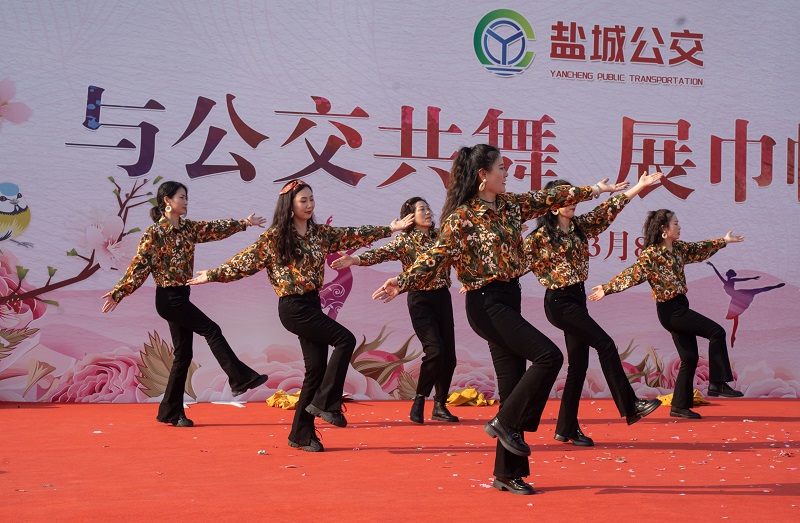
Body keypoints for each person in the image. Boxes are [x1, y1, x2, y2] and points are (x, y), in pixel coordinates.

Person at [371, 144, 620, 495]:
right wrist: (402, 281)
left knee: (512, 387)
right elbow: (436, 255)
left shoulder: (510, 205)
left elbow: (548, 198)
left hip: (508, 298)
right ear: (483, 175)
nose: (506, 173)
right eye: (501, 168)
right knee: (549, 356)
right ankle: (505, 422)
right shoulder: (462, 217)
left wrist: (594, 189)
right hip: (485, 304)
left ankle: (507, 474)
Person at [188, 179, 413, 452]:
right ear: (290, 205)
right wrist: (212, 275)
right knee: (345, 339)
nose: (309, 205)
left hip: (312, 304)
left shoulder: (319, 234)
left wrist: (389, 229)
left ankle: (301, 434)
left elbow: (352, 234)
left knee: (316, 370)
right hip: (293, 307)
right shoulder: (275, 237)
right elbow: (245, 261)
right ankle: (327, 404)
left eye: (311, 199)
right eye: (303, 200)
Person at [101, 180, 269, 427]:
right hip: (168, 299)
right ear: (167, 201)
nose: (186, 202)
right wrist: (118, 293)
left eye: (186, 197)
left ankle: (171, 412)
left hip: (182, 296)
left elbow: (213, 229)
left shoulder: (188, 229)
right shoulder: (154, 233)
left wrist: (244, 223)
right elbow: (139, 268)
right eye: (182, 197)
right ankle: (239, 378)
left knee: (183, 355)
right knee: (211, 330)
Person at [524, 173, 665, 447]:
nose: (573, 201)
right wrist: (479, 281)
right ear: (553, 205)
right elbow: (513, 263)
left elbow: (609, 209)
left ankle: (566, 428)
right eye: (566, 198)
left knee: (578, 366)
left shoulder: (580, 226)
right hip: (559, 302)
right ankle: (630, 405)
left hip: (577, 299)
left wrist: (639, 186)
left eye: (574, 196)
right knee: (605, 343)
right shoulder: (539, 238)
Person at [589, 210, 746, 419]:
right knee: (716, 332)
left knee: (689, 358)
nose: (679, 227)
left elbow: (699, 249)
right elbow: (632, 274)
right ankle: (718, 383)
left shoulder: (678, 249)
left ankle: (679, 406)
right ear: (664, 229)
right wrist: (607, 288)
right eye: (675, 223)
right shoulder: (651, 254)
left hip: (680, 306)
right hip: (671, 311)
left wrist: (724, 241)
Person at [332, 196, 459, 424]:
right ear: (410, 216)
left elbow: (461, 254)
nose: (428, 212)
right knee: (435, 350)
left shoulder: (441, 237)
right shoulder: (405, 241)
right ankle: (420, 399)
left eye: (428, 208)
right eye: (422, 209)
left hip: (443, 298)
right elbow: (380, 253)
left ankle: (440, 406)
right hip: (420, 301)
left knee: (449, 356)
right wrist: (355, 260)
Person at [707, 261, 785, 347]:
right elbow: (718, 274)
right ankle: (733, 336)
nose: (730, 275)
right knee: (737, 315)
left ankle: (775, 286)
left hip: (737, 295)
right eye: (730, 274)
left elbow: (742, 279)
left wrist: (752, 278)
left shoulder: (731, 280)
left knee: (755, 291)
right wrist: (712, 266)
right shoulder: (727, 281)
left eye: (731, 274)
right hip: (736, 297)